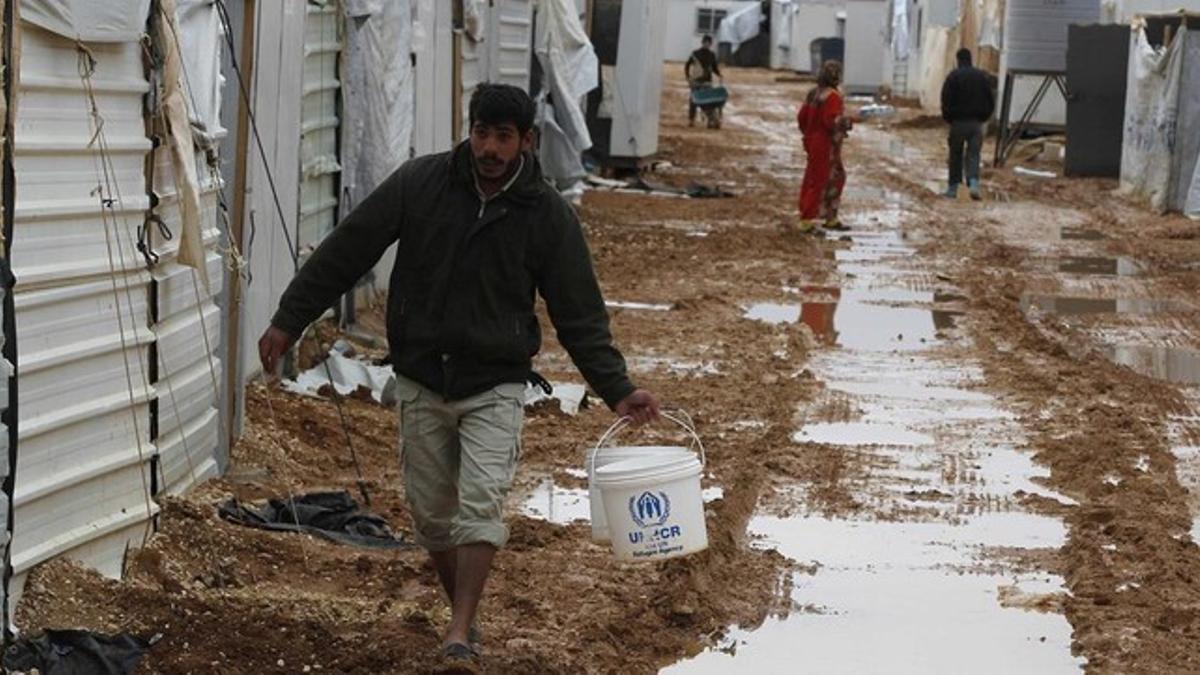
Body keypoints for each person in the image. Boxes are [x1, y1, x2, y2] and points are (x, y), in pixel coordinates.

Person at [257, 84, 660, 669]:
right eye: (480, 132)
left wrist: (617, 388)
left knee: (480, 507)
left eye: (502, 136)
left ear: (527, 141)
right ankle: (463, 612)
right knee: (431, 516)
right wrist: (289, 320)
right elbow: (348, 250)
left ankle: (460, 627)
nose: (489, 147)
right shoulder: (420, 185)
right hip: (421, 376)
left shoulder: (546, 214)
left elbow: (579, 314)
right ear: (468, 131)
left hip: (495, 383)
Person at [796, 60, 852, 232]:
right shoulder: (833, 96)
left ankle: (828, 217)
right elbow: (831, 121)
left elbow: (801, 117)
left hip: (812, 141)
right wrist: (849, 121)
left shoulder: (814, 93)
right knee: (821, 180)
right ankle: (808, 219)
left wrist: (808, 134)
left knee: (829, 178)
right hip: (826, 145)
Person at [940, 48, 995, 200]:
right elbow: (991, 100)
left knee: (956, 154)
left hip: (958, 122)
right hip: (976, 123)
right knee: (974, 154)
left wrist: (949, 118)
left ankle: (954, 187)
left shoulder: (953, 77)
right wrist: (984, 118)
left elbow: (945, 99)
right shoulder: (982, 77)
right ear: (971, 59)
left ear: (958, 60)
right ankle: (973, 184)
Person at [685, 34, 722, 127]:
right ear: (702, 43)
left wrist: (719, 74)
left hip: (707, 82)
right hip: (696, 82)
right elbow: (687, 65)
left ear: (710, 44)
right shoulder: (695, 53)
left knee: (709, 102)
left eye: (708, 43)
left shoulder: (712, 55)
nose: (706, 44)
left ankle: (711, 120)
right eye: (705, 42)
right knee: (693, 101)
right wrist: (688, 77)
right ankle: (691, 120)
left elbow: (714, 68)